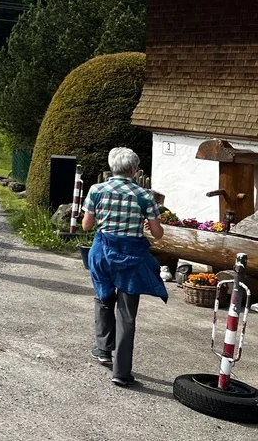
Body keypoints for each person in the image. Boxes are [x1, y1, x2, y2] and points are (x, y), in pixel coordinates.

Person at [81, 147, 167, 387]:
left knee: (103, 299)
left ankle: (102, 349)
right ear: (133, 170)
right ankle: (121, 372)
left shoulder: (97, 190)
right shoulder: (144, 195)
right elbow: (158, 234)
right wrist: (149, 226)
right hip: (131, 255)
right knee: (127, 314)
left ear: (113, 168)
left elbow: (87, 226)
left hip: (103, 252)